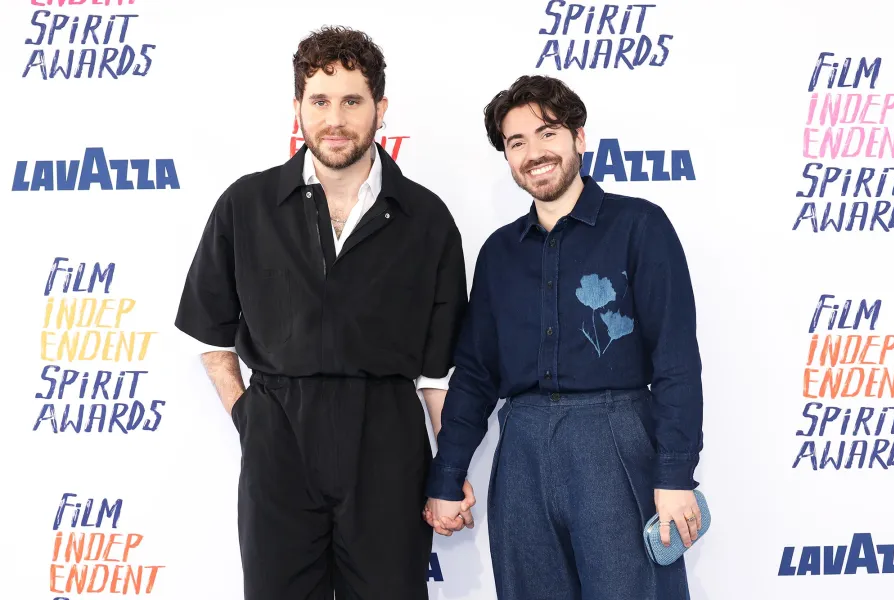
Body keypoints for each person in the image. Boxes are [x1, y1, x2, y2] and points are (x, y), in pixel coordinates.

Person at [174, 25, 473, 600]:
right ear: (297, 109)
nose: (335, 118)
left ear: (380, 110)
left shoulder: (426, 218)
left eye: (352, 101)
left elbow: (439, 375)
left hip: (387, 440)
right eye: (320, 100)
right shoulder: (247, 204)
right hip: (279, 435)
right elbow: (210, 336)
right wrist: (250, 421)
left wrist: (449, 469)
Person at [423, 74, 705, 600]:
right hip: (522, 449)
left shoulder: (640, 226)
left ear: (579, 137)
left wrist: (675, 474)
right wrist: (447, 475)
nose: (534, 152)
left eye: (547, 132)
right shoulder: (498, 253)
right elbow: (477, 375)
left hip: (615, 438)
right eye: (517, 142)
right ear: (507, 158)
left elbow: (676, 361)